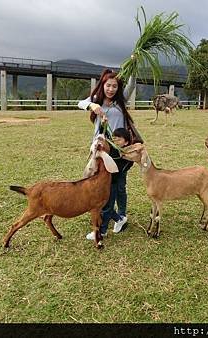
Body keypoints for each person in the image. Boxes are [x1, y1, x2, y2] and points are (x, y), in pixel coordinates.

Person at [78, 69, 137, 239]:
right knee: (105, 187)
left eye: (114, 86)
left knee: (119, 186)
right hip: (102, 149)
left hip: (120, 150)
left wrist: (134, 63)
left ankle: (117, 217)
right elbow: (80, 103)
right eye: (108, 85)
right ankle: (116, 217)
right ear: (103, 85)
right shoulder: (97, 101)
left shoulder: (121, 101)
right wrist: (92, 105)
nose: (111, 89)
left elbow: (132, 84)